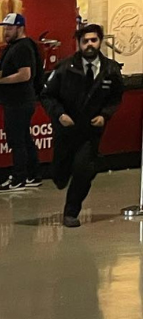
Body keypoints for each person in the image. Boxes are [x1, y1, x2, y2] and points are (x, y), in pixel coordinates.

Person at [40, 24, 124, 228]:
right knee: (60, 174)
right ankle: (60, 173)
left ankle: (71, 212)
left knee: (82, 170)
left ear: (100, 42)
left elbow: (116, 98)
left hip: (90, 131)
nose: (89, 45)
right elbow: (47, 96)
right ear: (79, 43)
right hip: (66, 129)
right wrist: (59, 115)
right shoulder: (64, 68)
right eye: (85, 41)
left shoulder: (111, 70)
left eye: (93, 40)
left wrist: (105, 115)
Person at [0, 13, 42, 192]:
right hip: (18, 100)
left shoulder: (22, 47)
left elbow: (24, 74)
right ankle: (32, 175)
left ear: (20, 28)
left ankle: (19, 177)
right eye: (4, 28)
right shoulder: (14, 47)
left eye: (9, 28)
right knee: (24, 138)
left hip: (19, 101)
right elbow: (9, 71)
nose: (5, 32)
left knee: (17, 140)